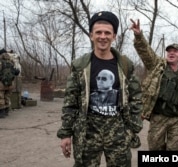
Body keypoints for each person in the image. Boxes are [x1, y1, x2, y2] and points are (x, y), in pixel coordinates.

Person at [57, 11, 143, 167]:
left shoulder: (125, 65)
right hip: (87, 132)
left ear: (114, 36)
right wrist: (66, 134)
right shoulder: (80, 66)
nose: (103, 36)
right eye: (98, 32)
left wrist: (132, 129)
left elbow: (136, 98)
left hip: (118, 131)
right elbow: (70, 103)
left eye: (107, 33)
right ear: (91, 35)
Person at [130, 19, 178, 151]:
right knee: (155, 147)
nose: (171, 53)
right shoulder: (158, 66)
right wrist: (138, 35)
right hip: (159, 116)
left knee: (175, 149)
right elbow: (145, 51)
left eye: (175, 51)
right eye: (169, 51)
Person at [0, 48, 20, 118]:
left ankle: (1, 112)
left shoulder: (0, 62)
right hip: (10, 83)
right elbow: (16, 72)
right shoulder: (11, 62)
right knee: (7, 97)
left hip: (1, 84)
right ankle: (6, 111)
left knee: (1, 97)